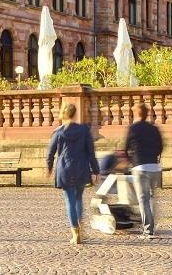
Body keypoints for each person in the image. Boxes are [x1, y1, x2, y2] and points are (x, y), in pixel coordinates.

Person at [44, 103, 99, 246]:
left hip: (64, 169)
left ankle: (75, 233)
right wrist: (96, 170)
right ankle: (79, 223)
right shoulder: (84, 130)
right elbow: (91, 152)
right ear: (75, 114)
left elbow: (50, 152)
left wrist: (49, 167)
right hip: (81, 167)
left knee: (70, 201)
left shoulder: (58, 132)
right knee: (78, 198)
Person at [122, 105, 165, 238]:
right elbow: (160, 147)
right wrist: (153, 156)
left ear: (135, 114)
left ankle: (148, 230)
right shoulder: (154, 129)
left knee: (143, 199)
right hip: (154, 166)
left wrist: (131, 161)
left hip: (140, 167)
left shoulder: (133, 129)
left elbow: (125, 148)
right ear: (147, 114)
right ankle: (151, 228)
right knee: (152, 197)